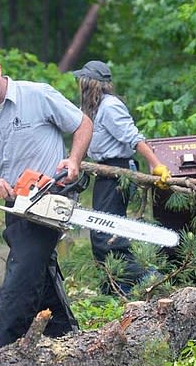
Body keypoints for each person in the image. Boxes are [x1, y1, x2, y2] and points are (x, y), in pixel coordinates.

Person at [0, 47, 93, 348]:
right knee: (37, 269)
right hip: (15, 204)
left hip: (50, 197)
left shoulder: (37, 95)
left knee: (20, 280)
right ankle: (66, 338)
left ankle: (4, 349)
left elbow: (82, 124)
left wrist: (74, 160)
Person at [73, 60, 171, 295]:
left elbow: (133, 137)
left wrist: (156, 165)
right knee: (101, 234)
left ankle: (152, 278)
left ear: (88, 83)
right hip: (104, 171)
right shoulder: (91, 110)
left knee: (105, 235)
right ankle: (115, 289)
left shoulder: (110, 106)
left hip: (118, 172)